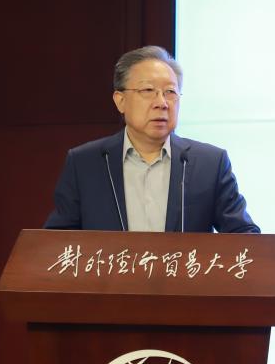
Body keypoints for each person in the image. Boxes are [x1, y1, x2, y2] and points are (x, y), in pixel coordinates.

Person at [44, 46, 259, 233]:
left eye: (170, 92)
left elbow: (245, 236)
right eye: (148, 90)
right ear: (120, 101)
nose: (162, 103)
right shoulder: (84, 163)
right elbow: (58, 242)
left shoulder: (210, 164)